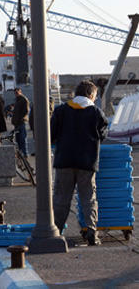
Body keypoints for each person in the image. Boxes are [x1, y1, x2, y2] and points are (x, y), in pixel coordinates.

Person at [51, 80, 108, 246]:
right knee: (88, 199)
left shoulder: (61, 110)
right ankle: (91, 232)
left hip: (64, 161)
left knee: (61, 199)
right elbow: (102, 134)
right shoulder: (96, 113)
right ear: (91, 95)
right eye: (95, 96)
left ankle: (56, 230)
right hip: (87, 162)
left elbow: (52, 134)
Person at [11, 88, 30, 156]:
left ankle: (25, 153)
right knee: (18, 139)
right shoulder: (17, 100)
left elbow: (26, 110)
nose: (16, 94)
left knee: (22, 138)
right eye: (15, 93)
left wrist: (21, 118)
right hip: (17, 122)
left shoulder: (23, 99)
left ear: (20, 92)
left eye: (17, 92)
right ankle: (21, 153)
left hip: (21, 122)